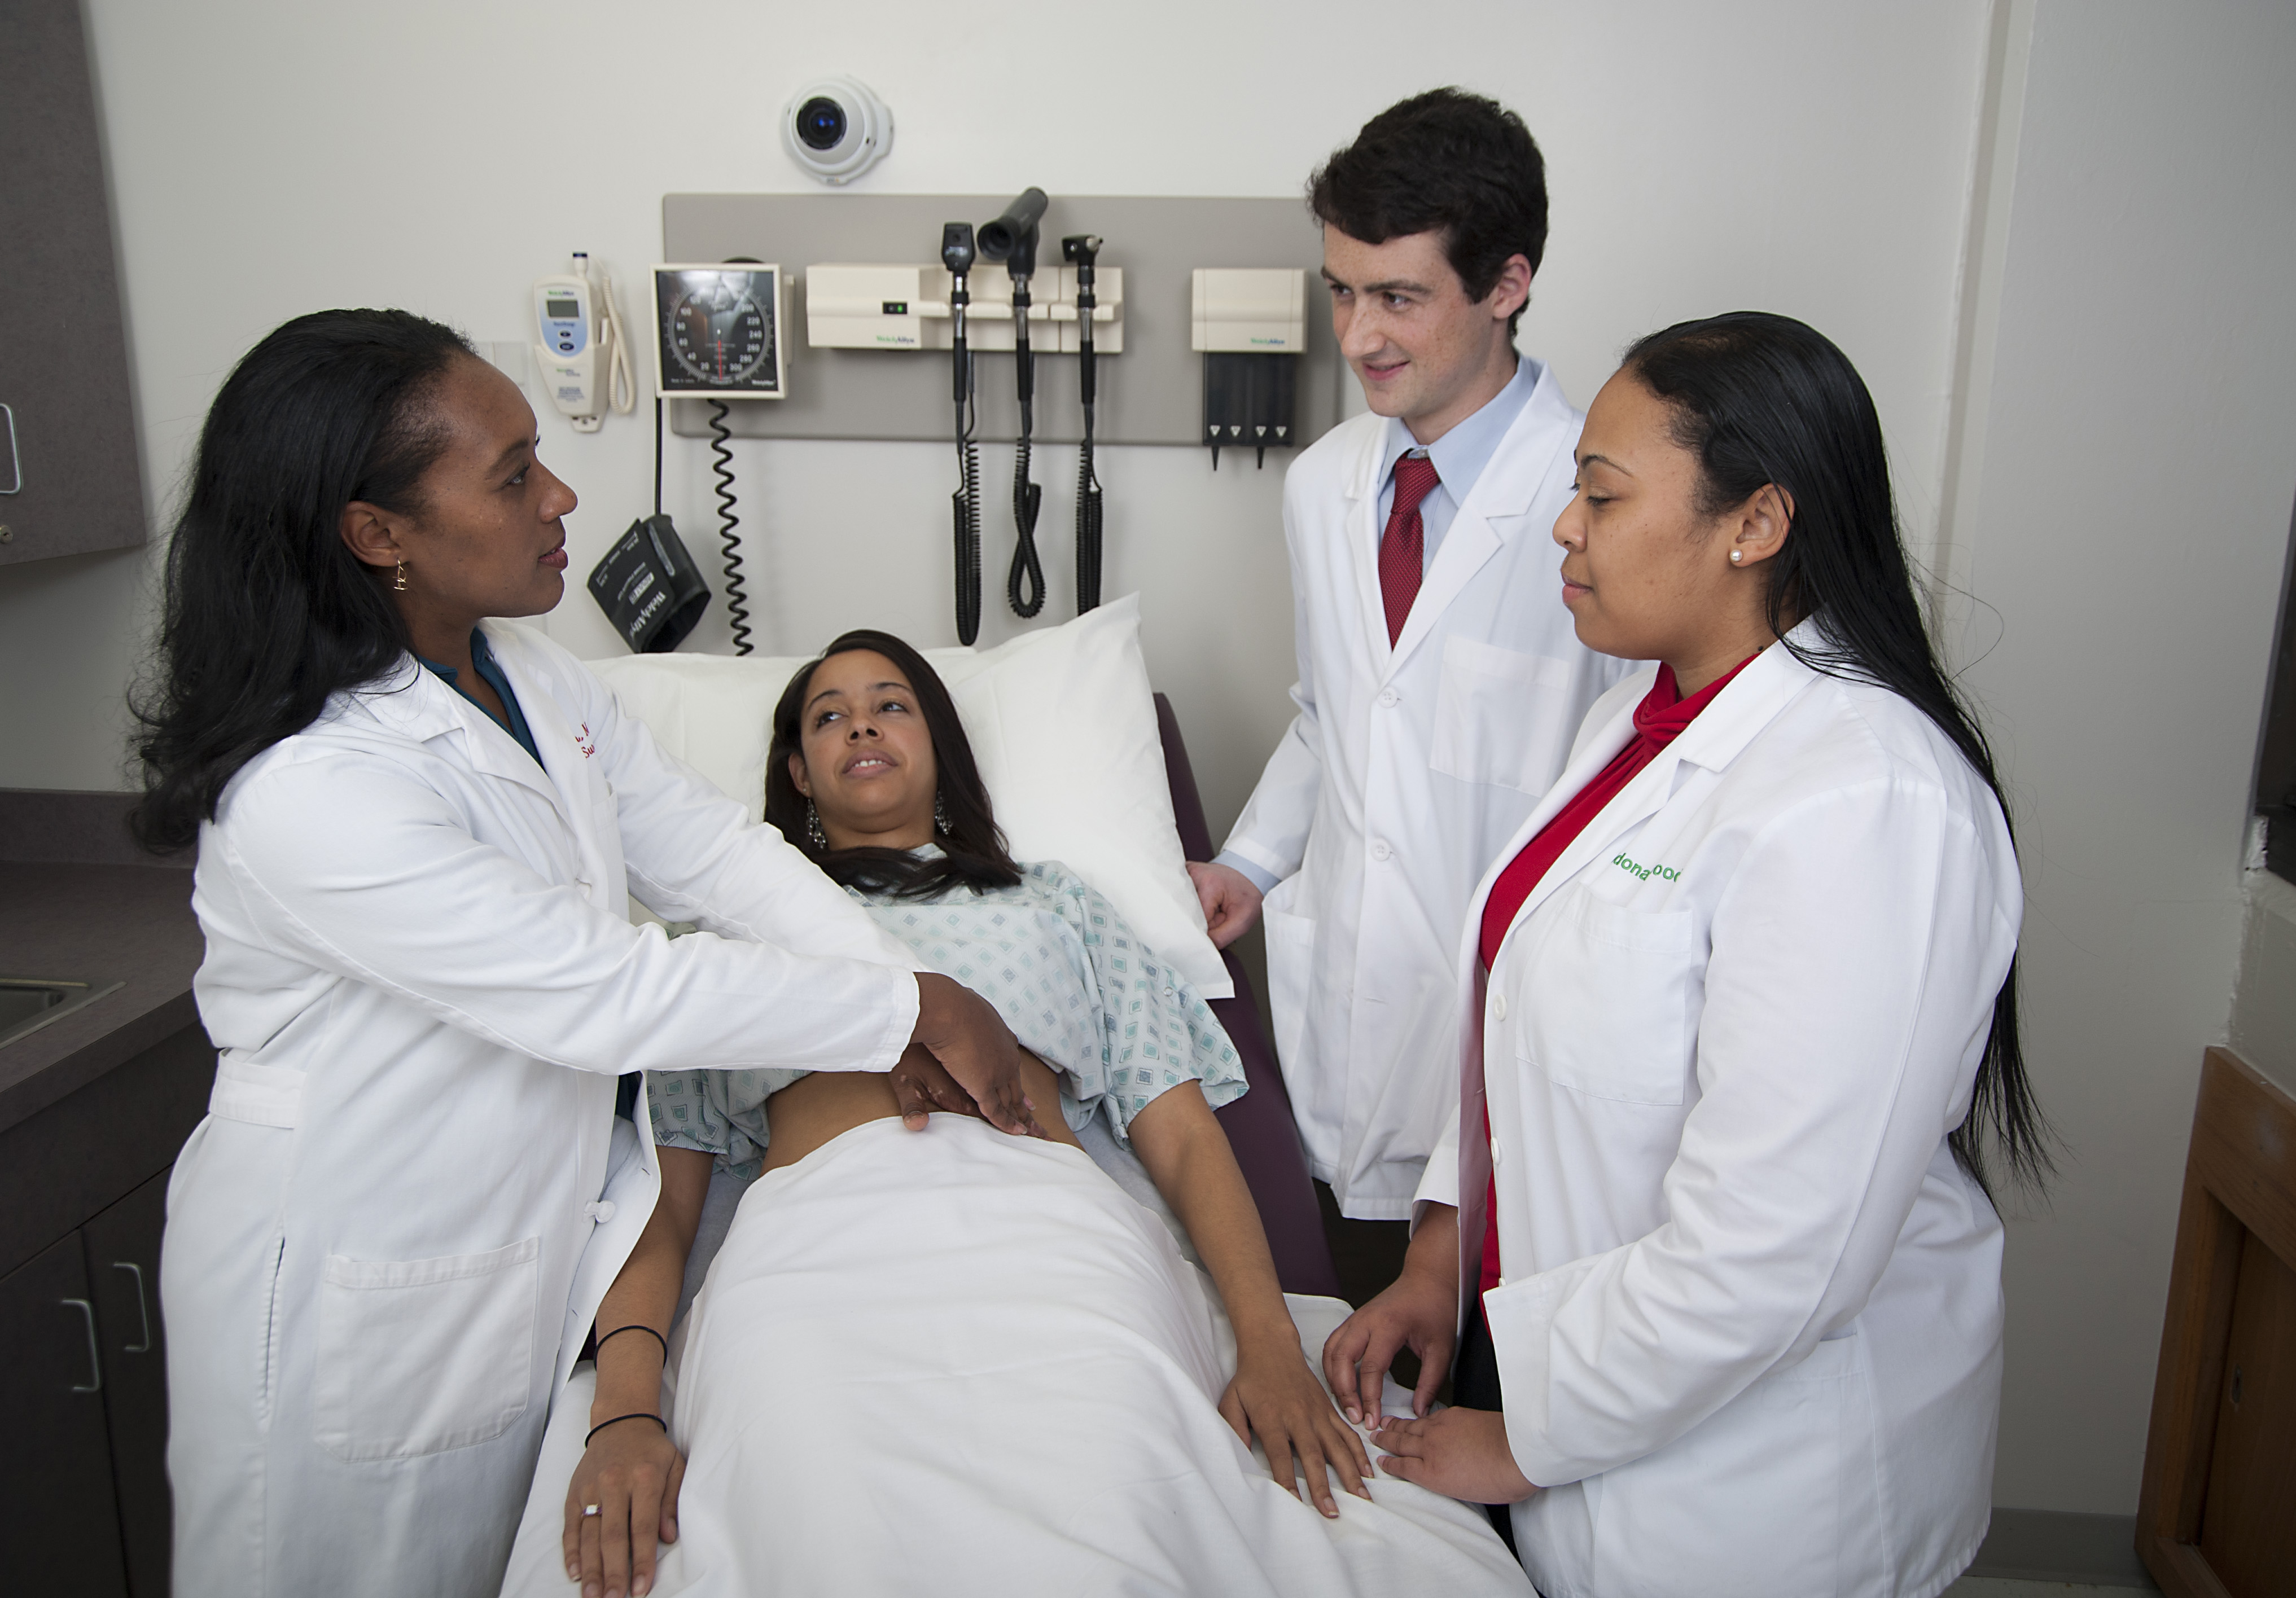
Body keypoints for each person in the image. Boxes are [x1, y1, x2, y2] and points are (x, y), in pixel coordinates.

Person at [137, 311, 1039, 1598]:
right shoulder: (312, 789)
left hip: (520, 1251)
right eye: (513, 476)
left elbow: (715, 855)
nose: (561, 497)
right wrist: (907, 1011)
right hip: (355, 1274)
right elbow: (608, 990)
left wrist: (900, 991)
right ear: (378, 534)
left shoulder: (526, 673)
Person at [1323, 313, 2047, 1598]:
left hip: (1757, 1504)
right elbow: (1527, 1028)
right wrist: (1438, 1260)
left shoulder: (1864, 797)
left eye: (1602, 496)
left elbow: (1775, 1252)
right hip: (1585, 1400)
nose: (1566, 528)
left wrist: (1525, 1437)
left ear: (1754, 523)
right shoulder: (1637, 723)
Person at [553, 634, 1518, 1598]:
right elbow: (659, 1202)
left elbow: (1182, 1135)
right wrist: (626, 1413)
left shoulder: (1051, 903)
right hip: (812, 1249)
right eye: (829, 716)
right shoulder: (714, 945)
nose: (862, 727)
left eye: (892, 706)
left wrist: (1269, 1346)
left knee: (1111, 1486)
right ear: (799, 773)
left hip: (1044, 1224)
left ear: (939, 747)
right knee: (825, 1511)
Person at [1186, 90, 1635, 1268]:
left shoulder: (1600, 503)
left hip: (1508, 1044)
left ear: (1507, 284)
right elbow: (1334, 714)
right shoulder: (1322, 486)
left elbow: (1632, 782)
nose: (1357, 337)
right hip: (1344, 1035)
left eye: (1399, 297)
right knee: (1349, 1333)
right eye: (1341, 292)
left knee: (1491, 1350)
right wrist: (1248, 863)